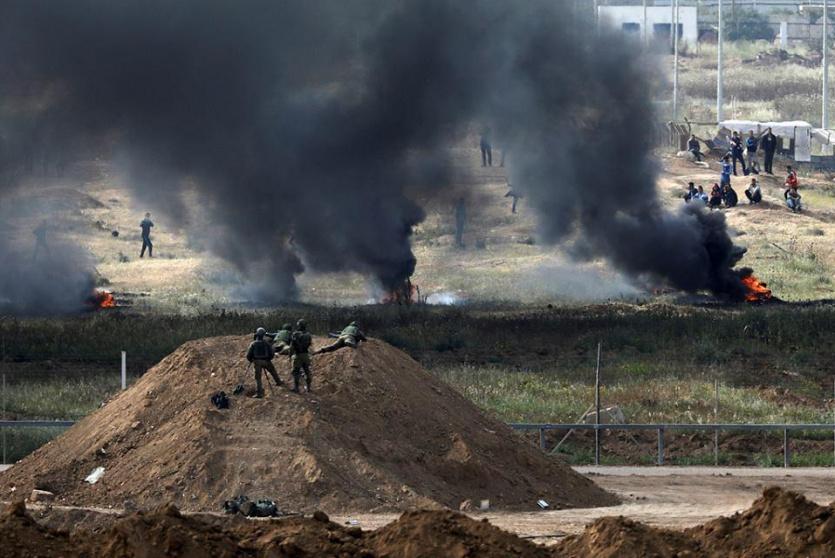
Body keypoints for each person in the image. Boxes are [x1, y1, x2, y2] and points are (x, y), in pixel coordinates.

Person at [246, 327, 282, 398]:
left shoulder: (253, 344)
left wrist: (252, 360)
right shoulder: (267, 343)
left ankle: (259, 393)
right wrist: (268, 359)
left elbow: (248, 355)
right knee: (273, 371)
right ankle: (278, 382)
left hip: (257, 362)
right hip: (266, 361)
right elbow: (272, 353)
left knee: (258, 378)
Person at [289, 319, 313, 393]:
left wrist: (290, 355)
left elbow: (292, 346)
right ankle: (308, 388)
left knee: (296, 372)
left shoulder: (295, 334)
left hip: (298, 355)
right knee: (307, 371)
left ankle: (296, 388)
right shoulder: (308, 335)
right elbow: (309, 344)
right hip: (306, 355)